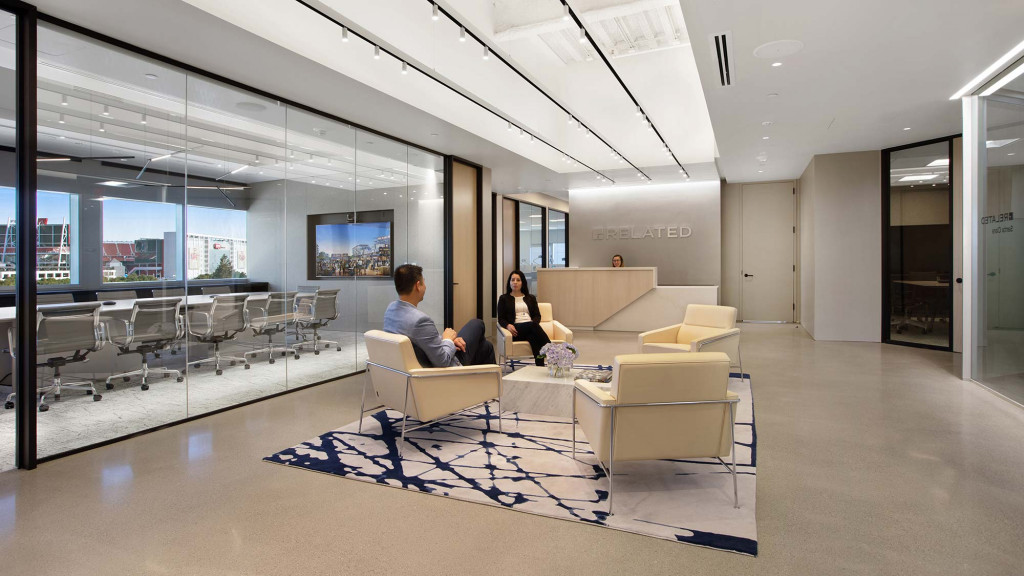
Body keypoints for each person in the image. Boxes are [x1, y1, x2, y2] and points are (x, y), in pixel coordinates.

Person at [382, 264, 495, 367]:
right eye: (424, 282)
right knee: (477, 323)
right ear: (418, 286)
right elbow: (443, 361)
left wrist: (446, 340)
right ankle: (466, 382)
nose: (425, 286)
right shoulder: (420, 320)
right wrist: (448, 340)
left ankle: (480, 385)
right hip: (444, 371)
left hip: (417, 365)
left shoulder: (390, 310)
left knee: (486, 347)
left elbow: (422, 340)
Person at [496, 270, 551, 367]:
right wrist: (508, 326)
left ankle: (540, 366)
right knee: (533, 326)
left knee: (534, 337)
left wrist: (533, 324)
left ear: (523, 283)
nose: (515, 282)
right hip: (515, 329)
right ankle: (552, 349)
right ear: (509, 282)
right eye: (512, 280)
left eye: (518, 280)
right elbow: (501, 318)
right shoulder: (504, 298)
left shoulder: (531, 298)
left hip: (530, 328)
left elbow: (537, 316)